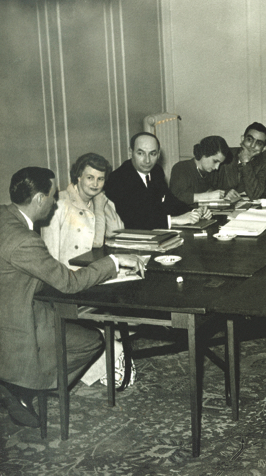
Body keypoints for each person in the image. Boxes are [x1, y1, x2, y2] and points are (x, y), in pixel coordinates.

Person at [0, 167, 144, 427]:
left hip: (10, 303)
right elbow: (70, 283)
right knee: (91, 340)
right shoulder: (25, 240)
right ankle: (26, 387)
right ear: (39, 200)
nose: (55, 202)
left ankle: (20, 382)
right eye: (53, 197)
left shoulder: (3, 215)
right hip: (17, 322)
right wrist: (113, 262)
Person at [104, 132, 211, 229]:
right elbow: (132, 221)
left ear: (159, 154)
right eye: (140, 153)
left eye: (152, 154)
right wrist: (175, 220)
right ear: (130, 152)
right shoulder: (118, 179)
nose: (147, 160)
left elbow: (170, 201)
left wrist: (194, 212)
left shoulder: (156, 171)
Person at [41, 153, 124, 267]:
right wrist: (99, 210)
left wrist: (102, 206)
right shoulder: (59, 203)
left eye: (100, 179)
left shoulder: (102, 201)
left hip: (94, 271)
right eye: (90, 178)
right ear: (79, 177)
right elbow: (50, 255)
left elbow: (117, 232)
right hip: (69, 273)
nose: (95, 184)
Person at [218, 122, 266, 200]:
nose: (252, 145)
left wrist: (245, 163)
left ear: (264, 148)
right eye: (249, 139)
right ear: (242, 139)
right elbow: (207, 186)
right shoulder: (225, 155)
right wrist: (225, 193)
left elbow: (254, 194)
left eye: (259, 143)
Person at [170, 135, 228, 204]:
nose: (217, 167)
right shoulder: (181, 168)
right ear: (204, 154)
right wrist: (207, 196)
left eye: (220, 163)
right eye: (215, 161)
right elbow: (175, 197)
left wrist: (226, 194)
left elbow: (214, 190)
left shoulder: (211, 172)